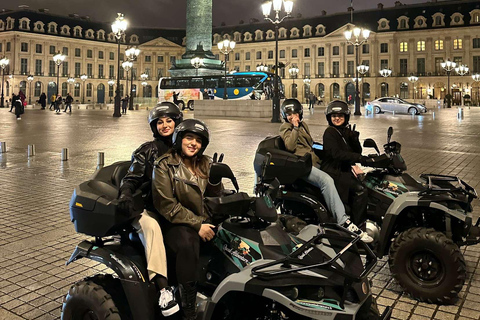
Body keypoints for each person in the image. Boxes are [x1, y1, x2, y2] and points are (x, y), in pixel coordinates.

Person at [152, 119, 223, 320]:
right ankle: (188, 308)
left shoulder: (206, 163)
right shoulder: (165, 165)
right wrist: (197, 224)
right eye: (189, 138)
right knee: (187, 243)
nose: (193, 143)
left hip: (203, 220)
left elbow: (213, 197)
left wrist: (216, 181)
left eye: (198, 140)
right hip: (174, 223)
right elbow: (166, 205)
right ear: (179, 139)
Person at [118, 102, 183, 316]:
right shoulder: (147, 151)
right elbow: (131, 178)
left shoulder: (183, 149)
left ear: (177, 123)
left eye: (169, 121)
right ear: (154, 127)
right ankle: (163, 289)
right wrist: (126, 193)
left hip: (174, 206)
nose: (165, 125)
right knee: (151, 227)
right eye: (160, 122)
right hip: (147, 207)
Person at [279, 99, 372, 242]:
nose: (292, 117)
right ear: (284, 115)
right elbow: (290, 146)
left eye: (295, 113)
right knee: (326, 180)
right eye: (289, 114)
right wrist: (295, 127)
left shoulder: (303, 125)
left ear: (300, 113)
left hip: (312, 161)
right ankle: (343, 221)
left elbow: (310, 145)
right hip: (301, 166)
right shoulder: (286, 127)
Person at [322, 100, 375, 226]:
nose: (337, 118)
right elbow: (336, 154)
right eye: (334, 116)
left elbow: (356, 151)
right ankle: (358, 226)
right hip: (334, 171)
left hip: (343, 170)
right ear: (329, 118)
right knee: (361, 191)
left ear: (346, 117)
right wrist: (360, 158)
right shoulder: (330, 132)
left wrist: (354, 140)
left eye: (340, 116)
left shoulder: (343, 132)